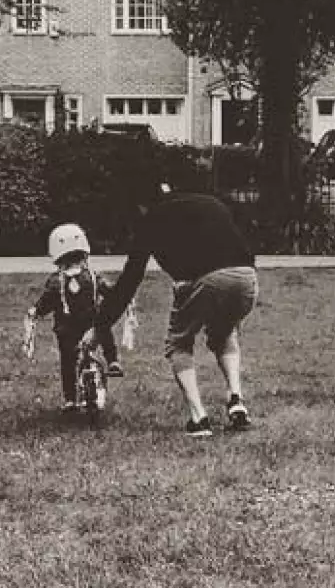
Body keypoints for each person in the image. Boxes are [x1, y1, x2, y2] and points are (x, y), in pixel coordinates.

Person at [97, 186, 257, 437]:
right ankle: (236, 399)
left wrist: (102, 323)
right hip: (247, 277)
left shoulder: (151, 219)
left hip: (207, 279)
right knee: (224, 332)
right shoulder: (208, 201)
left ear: (140, 206)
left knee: (179, 344)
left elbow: (131, 279)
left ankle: (199, 419)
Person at [27, 223, 123, 412]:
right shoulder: (93, 276)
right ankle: (112, 360)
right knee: (104, 329)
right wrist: (119, 296)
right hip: (91, 325)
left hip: (67, 329)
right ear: (84, 251)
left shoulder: (56, 281)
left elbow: (46, 302)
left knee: (68, 362)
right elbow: (109, 292)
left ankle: (70, 400)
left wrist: (35, 312)